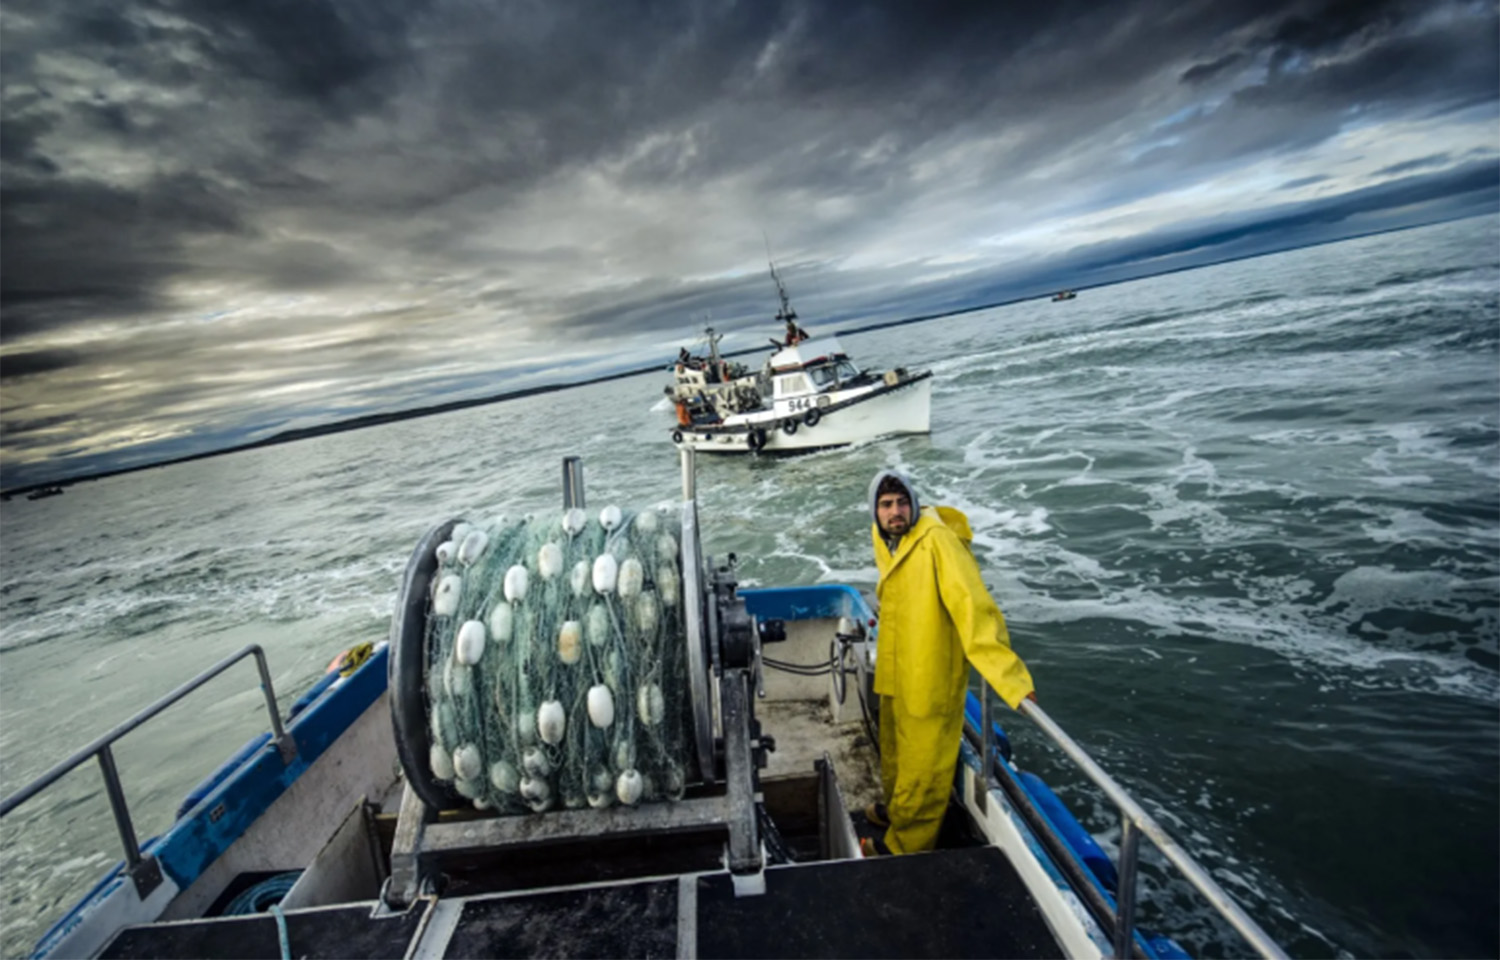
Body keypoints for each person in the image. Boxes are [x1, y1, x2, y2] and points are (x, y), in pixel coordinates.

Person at [863, 470, 1036, 856]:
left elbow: (974, 609)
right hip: (897, 669)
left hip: (930, 675)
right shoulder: (888, 537)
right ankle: (897, 810)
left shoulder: (937, 542)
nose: (895, 512)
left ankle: (905, 846)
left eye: (902, 503)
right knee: (895, 751)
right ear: (874, 511)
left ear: (914, 503)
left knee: (923, 766)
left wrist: (1011, 679)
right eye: (886, 505)